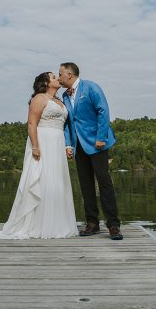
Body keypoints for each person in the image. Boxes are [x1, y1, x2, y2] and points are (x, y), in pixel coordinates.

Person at [0, 72, 79, 239]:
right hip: (43, 141)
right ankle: (37, 224)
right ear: (45, 83)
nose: (57, 78)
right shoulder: (39, 98)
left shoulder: (60, 100)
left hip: (57, 143)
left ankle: (57, 223)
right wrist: (35, 146)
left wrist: (66, 145)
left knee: (56, 181)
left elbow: (65, 124)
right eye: (53, 77)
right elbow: (31, 123)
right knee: (41, 179)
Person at [58, 62, 122, 240]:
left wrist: (101, 137)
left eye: (60, 74)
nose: (58, 77)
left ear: (69, 75)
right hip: (79, 146)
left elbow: (103, 110)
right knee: (85, 185)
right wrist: (68, 145)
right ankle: (92, 223)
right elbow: (68, 123)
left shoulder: (91, 87)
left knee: (104, 182)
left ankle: (113, 225)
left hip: (97, 143)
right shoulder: (64, 95)